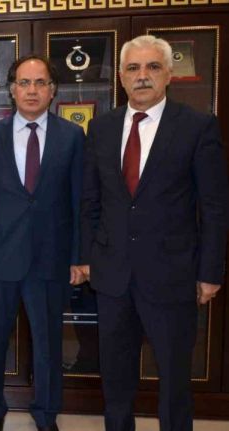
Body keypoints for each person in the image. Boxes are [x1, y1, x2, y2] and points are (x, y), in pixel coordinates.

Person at [80, 34, 228, 431]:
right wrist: (89, 257)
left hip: (172, 274)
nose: (142, 75)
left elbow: (214, 207)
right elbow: (90, 201)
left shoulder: (197, 126)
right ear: (121, 77)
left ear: (168, 75)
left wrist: (210, 272)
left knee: (175, 378)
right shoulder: (101, 127)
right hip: (112, 274)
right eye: (133, 68)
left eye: (152, 67)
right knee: (116, 376)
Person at [0, 54, 85, 431]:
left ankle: (46, 415)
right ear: (12, 89)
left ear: (53, 91)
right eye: (24, 82)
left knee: (49, 346)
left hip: (51, 259)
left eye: (41, 83)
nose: (32, 90)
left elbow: (79, 201)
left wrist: (78, 257)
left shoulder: (72, 136)